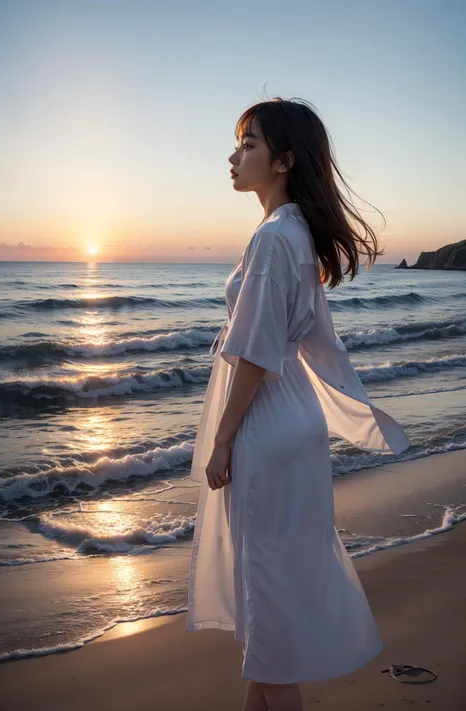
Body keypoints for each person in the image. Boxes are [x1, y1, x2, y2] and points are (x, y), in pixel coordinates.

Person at [186, 97, 410, 711]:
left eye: (249, 144)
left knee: (271, 618)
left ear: (284, 160)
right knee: (271, 618)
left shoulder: (274, 239)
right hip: (294, 424)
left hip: (267, 429)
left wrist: (225, 439)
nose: (234, 156)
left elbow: (256, 355)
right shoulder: (293, 235)